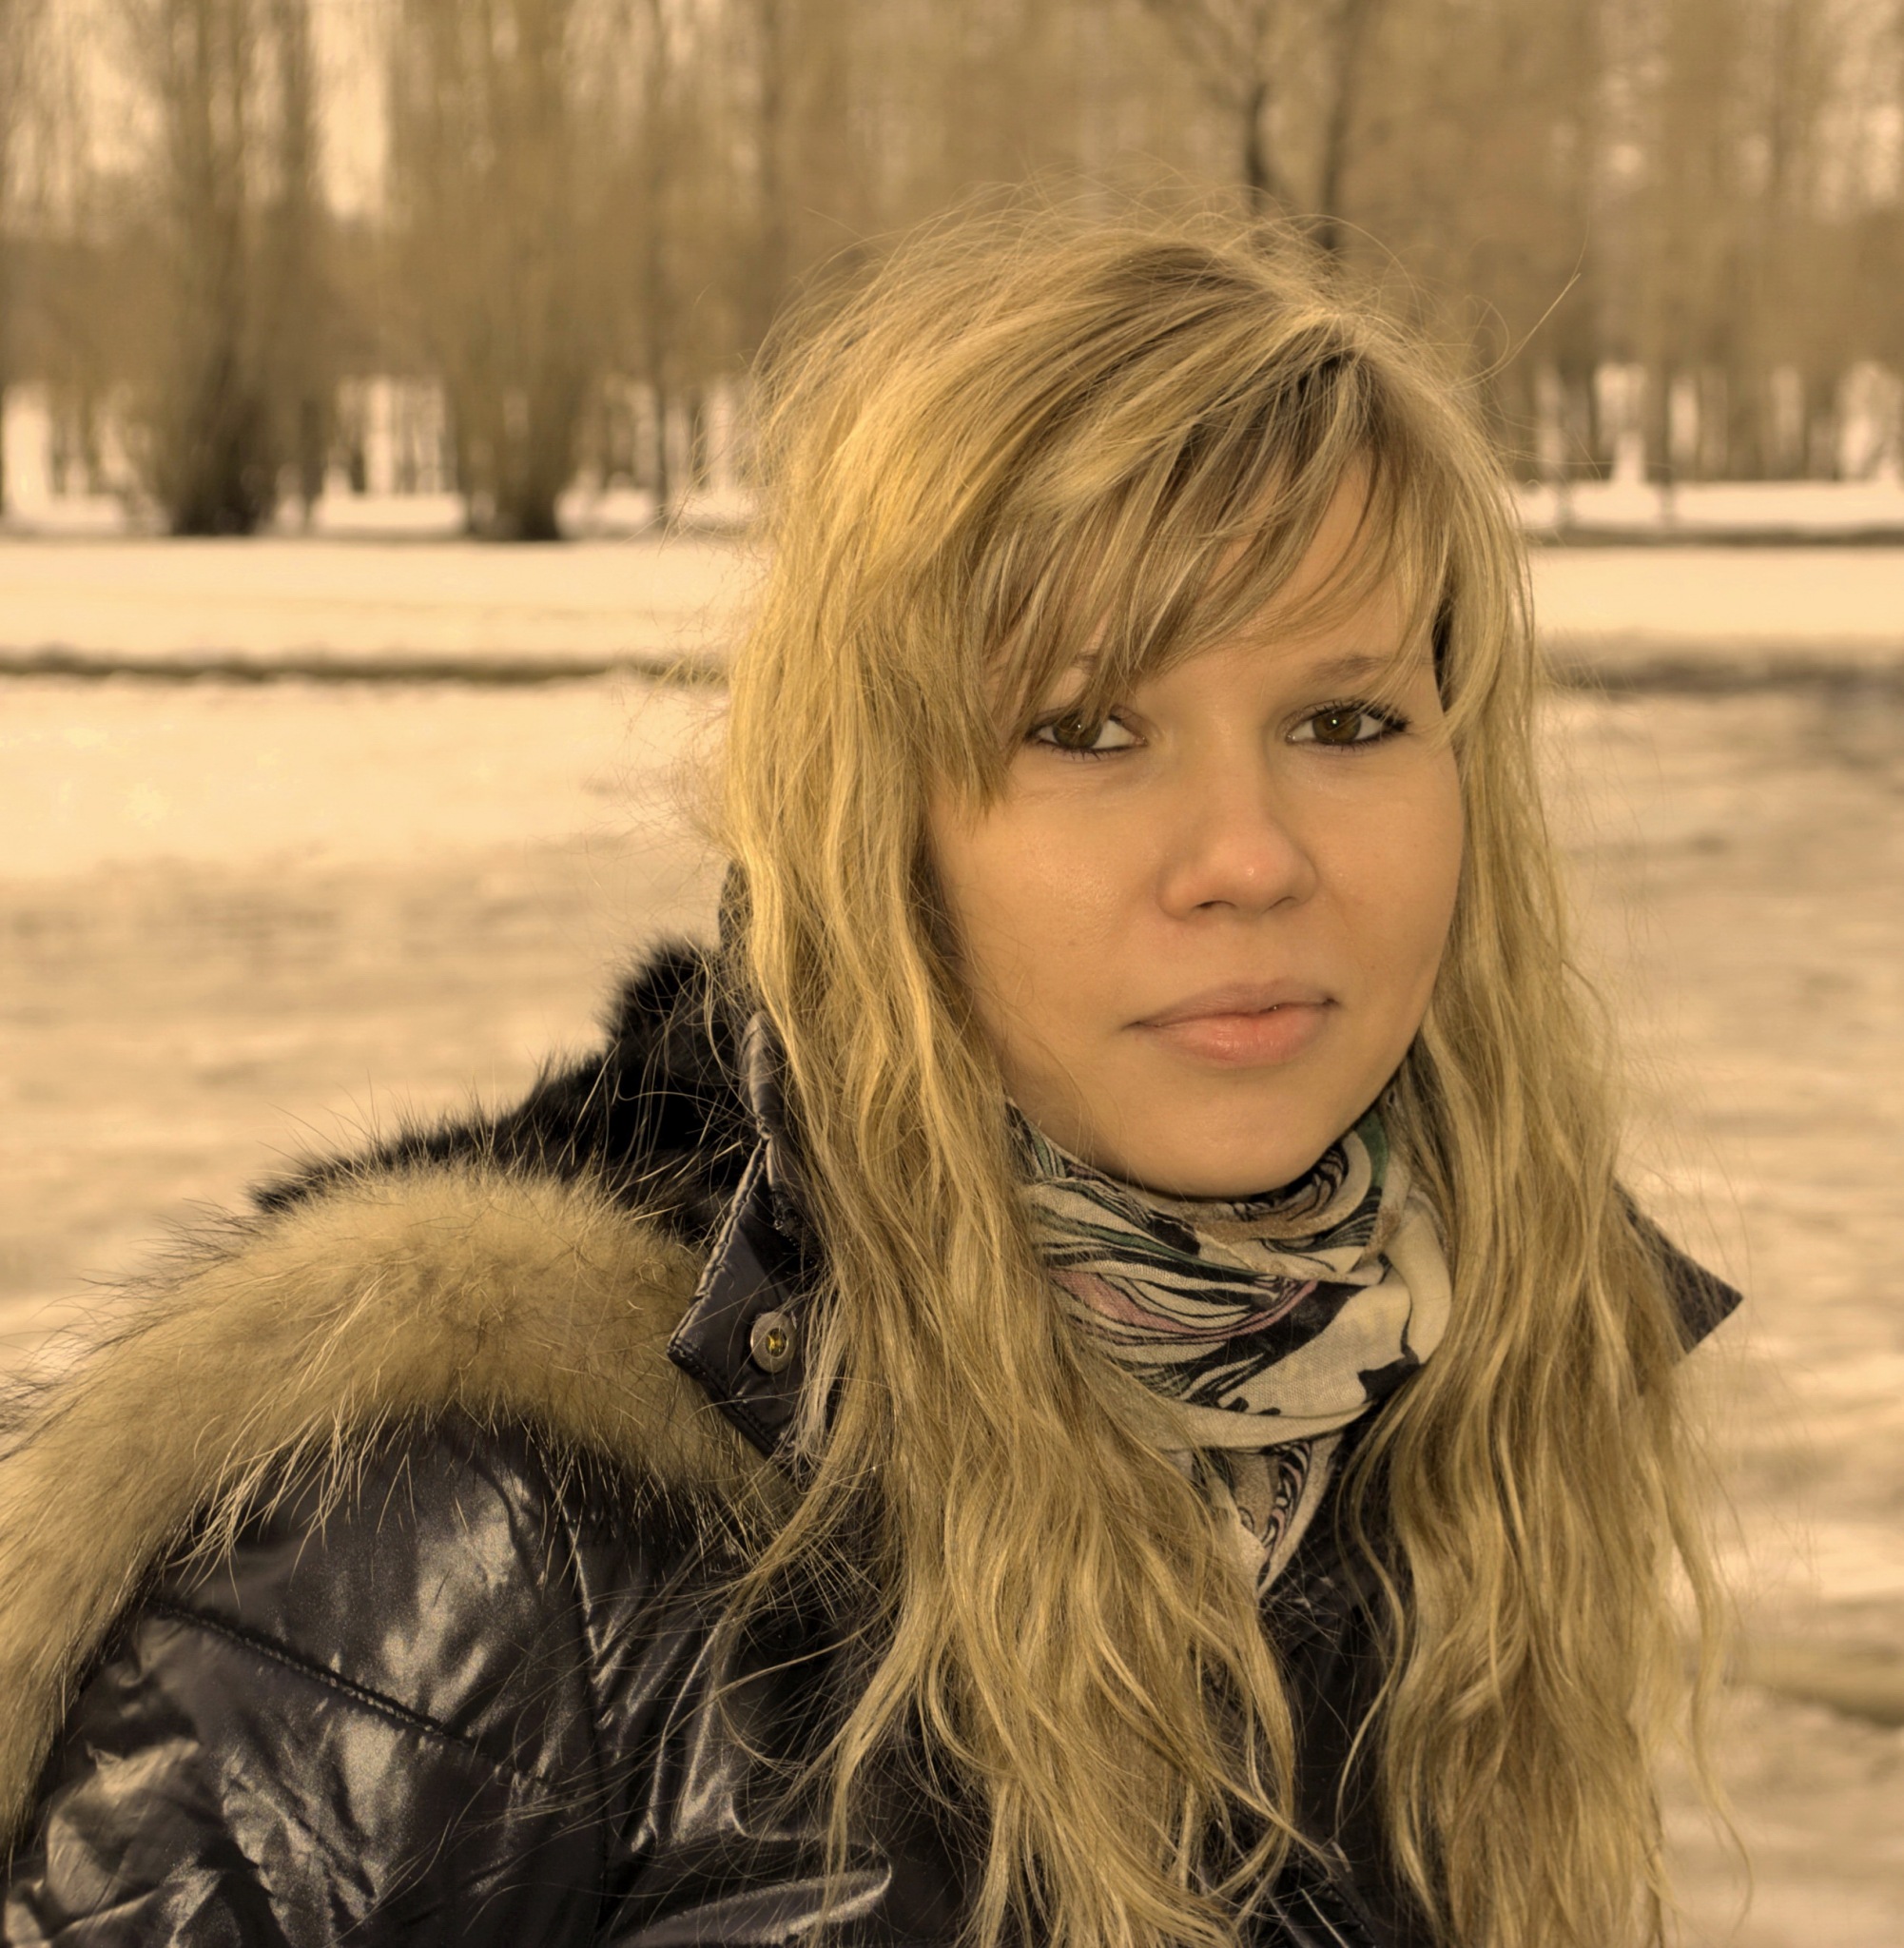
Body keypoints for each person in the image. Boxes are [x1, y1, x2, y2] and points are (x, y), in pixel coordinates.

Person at [0, 205, 1740, 1948]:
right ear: (871, 820)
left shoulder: (1464, 1420)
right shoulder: (480, 1535)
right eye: (1085, 729)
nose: (1248, 857)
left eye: (1344, 722)